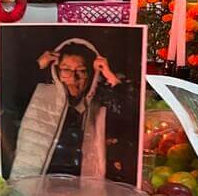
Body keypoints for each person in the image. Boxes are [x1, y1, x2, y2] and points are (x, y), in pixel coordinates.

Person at [11, 38, 124, 179]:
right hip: (38, 187)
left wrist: (110, 76)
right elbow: (8, 90)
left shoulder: (100, 104)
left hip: (81, 192)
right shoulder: (39, 95)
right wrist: (37, 65)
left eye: (81, 71)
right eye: (66, 70)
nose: (73, 77)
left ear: (91, 74)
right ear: (57, 72)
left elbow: (129, 115)